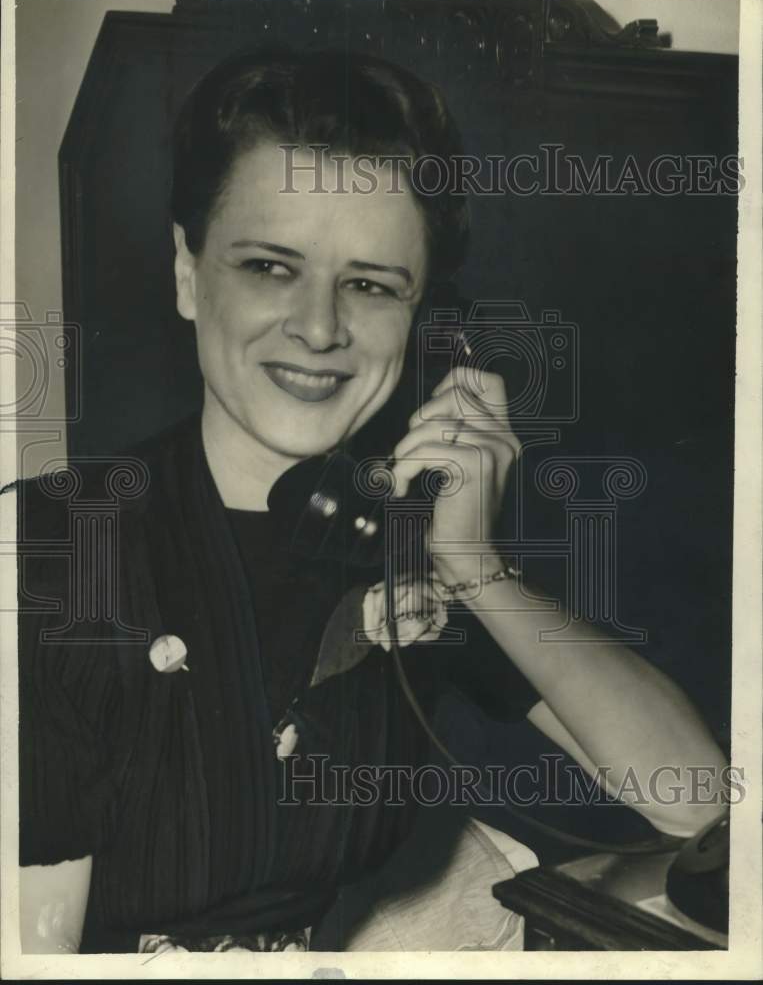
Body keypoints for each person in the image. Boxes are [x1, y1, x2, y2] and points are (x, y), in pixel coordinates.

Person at [15, 48, 728, 954]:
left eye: (369, 284)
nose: (319, 328)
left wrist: (472, 566)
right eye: (270, 266)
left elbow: (696, 801)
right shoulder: (55, 552)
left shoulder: (396, 538)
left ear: (425, 318)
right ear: (189, 275)